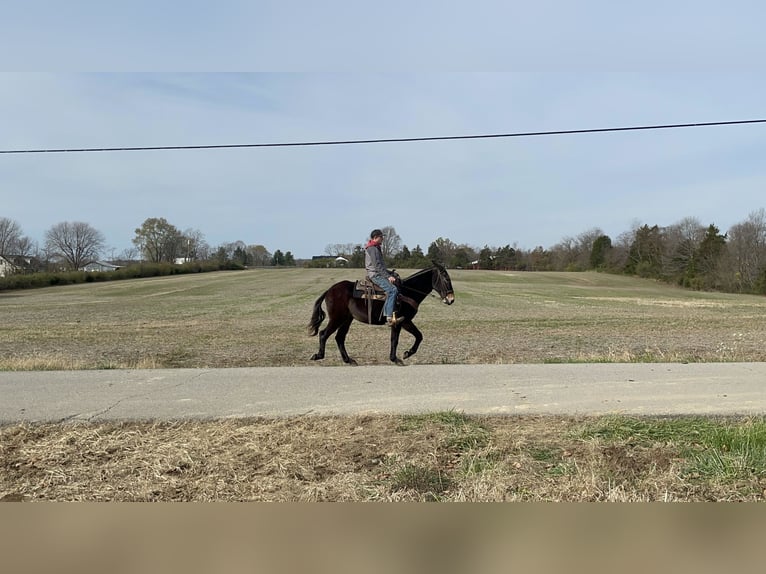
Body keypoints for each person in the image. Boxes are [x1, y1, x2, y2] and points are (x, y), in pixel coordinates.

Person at [365, 228, 402, 326]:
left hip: (379, 273)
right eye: (381, 237)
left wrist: (390, 273)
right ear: (376, 237)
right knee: (392, 290)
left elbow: (380, 266)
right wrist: (388, 276)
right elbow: (377, 266)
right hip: (375, 275)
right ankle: (389, 317)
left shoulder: (376, 247)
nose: (383, 239)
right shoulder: (372, 248)